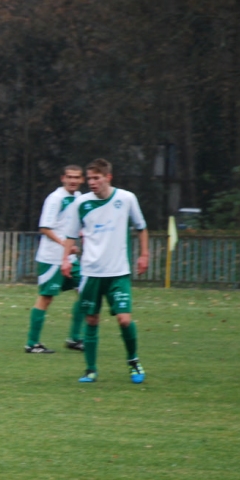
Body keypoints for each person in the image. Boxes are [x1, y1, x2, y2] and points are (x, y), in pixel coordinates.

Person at [62, 158, 149, 384]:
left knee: (124, 320)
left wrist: (144, 255)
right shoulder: (81, 204)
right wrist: (65, 260)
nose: (91, 182)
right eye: (89, 178)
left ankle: (133, 361)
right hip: (91, 273)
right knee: (91, 320)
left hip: (118, 272)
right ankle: (90, 370)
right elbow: (71, 235)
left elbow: (141, 227)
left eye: (96, 178)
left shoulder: (126, 199)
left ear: (108, 178)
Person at [25, 165, 86, 354]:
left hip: (70, 258)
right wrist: (65, 245)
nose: (73, 180)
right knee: (46, 298)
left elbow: (75, 225)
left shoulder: (79, 198)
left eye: (76, 177)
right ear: (63, 178)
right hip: (51, 257)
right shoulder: (55, 199)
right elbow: (44, 227)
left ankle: (74, 339)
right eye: (69, 177)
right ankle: (32, 343)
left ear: (82, 179)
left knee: (85, 290)